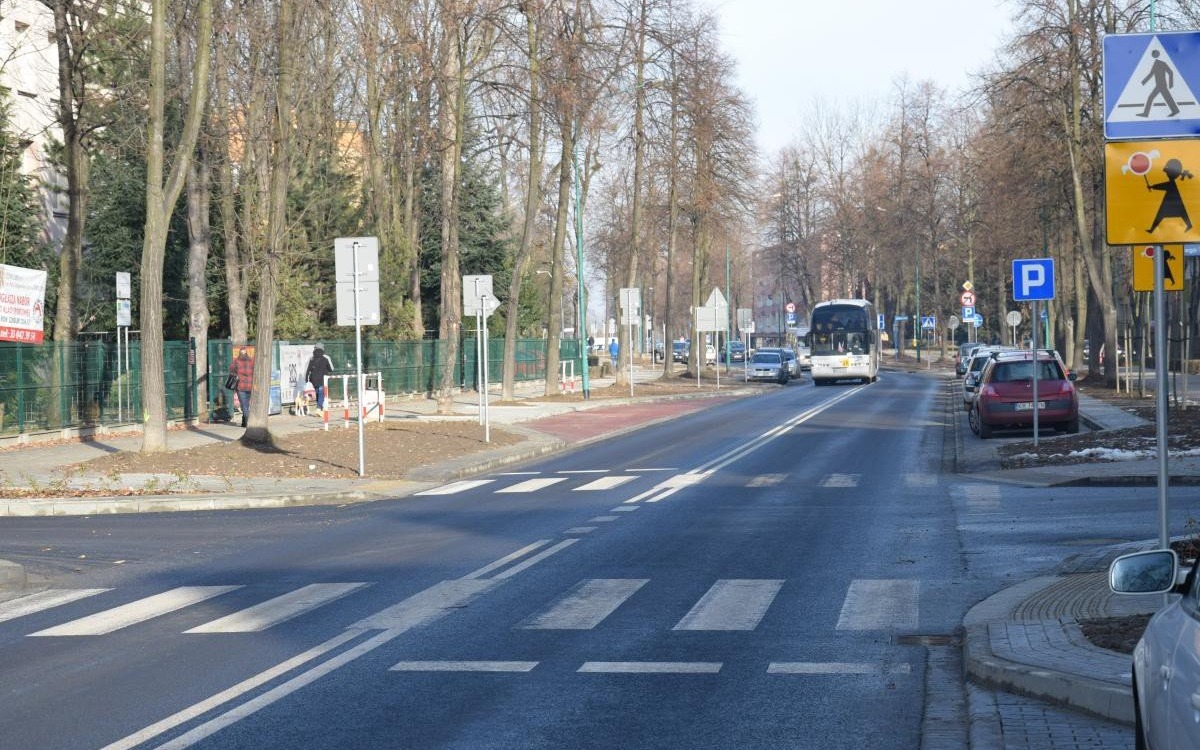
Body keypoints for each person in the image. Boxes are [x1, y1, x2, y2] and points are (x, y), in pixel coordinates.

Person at [228, 346, 255, 427]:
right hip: (250, 386)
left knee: (244, 405)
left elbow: (231, 369)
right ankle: (244, 422)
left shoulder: (236, 361)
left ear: (239, 353)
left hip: (241, 386)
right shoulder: (252, 361)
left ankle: (246, 422)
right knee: (246, 404)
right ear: (246, 353)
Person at [304, 346, 335, 412]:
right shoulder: (326, 357)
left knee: (318, 392)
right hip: (323, 379)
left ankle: (320, 407)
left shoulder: (311, 358)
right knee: (321, 392)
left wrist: (306, 379)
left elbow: (307, 369)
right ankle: (319, 407)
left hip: (313, 379)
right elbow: (331, 369)